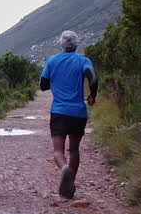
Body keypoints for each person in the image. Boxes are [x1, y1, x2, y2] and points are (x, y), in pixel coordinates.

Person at [40, 30, 98, 199]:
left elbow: (43, 85)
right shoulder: (83, 61)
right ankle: (70, 182)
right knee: (74, 149)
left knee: (58, 151)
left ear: (61, 44)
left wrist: (57, 82)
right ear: (76, 44)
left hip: (59, 111)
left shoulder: (52, 61)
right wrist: (93, 96)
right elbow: (93, 79)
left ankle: (64, 168)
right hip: (78, 112)